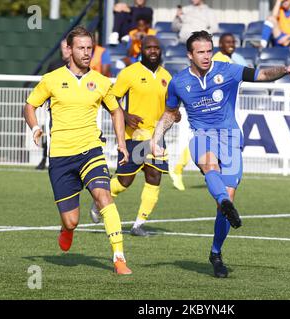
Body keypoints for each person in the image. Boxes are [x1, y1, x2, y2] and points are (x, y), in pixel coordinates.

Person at [150, 31, 290, 278]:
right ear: (190, 55)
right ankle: (225, 202)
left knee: (224, 203)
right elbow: (170, 114)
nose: (206, 56)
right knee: (209, 166)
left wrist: (284, 69)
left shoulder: (227, 71)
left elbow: (260, 75)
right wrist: (156, 138)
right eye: (201, 52)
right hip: (201, 136)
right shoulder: (178, 82)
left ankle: (215, 252)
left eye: (209, 50)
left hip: (230, 138)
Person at [23, 26, 132, 275]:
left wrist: (122, 143)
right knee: (71, 219)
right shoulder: (51, 79)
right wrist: (35, 128)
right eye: (81, 48)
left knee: (104, 197)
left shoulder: (102, 82)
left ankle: (119, 258)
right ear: (69, 49)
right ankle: (67, 229)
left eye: (89, 48)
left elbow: (116, 110)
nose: (86, 53)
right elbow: (29, 106)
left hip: (91, 150)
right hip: (61, 157)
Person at [90, 36, 178, 236]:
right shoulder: (129, 73)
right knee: (124, 182)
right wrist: (125, 115)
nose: (153, 51)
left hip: (157, 136)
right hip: (135, 135)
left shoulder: (167, 76)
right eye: (149, 48)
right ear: (141, 49)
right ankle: (98, 201)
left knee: (154, 176)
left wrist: (175, 113)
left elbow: (170, 105)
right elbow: (110, 99)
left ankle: (138, 225)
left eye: (157, 47)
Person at [169, 32, 249, 191]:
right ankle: (178, 168)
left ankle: (183, 169)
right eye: (227, 42)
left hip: (227, 112)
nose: (231, 44)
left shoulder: (236, 59)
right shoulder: (218, 60)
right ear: (220, 44)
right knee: (205, 146)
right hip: (209, 115)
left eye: (233, 41)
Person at [36, 39, 72, 170]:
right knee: (50, 132)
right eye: (64, 47)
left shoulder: (77, 67)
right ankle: (45, 159)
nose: (67, 50)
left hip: (72, 108)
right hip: (55, 108)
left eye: (68, 47)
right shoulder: (54, 64)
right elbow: (46, 85)